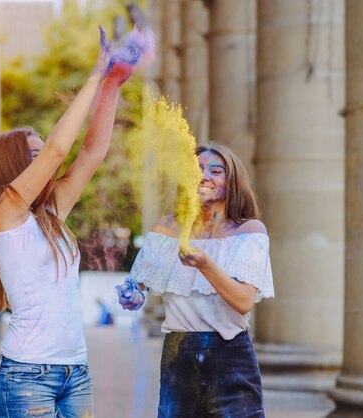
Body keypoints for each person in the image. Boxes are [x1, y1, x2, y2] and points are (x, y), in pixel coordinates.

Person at [0, 27, 142, 418]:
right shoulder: (6, 211)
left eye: (42, 151)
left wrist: (112, 85)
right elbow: (63, 148)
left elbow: (93, 151)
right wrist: (96, 73)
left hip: (75, 371)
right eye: (33, 154)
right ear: (10, 166)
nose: (45, 158)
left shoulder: (50, 213)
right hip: (28, 375)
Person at [117, 144, 274, 418]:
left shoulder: (249, 231)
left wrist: (205, 265)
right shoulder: (165, 229)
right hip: (179, 355)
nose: (204, 176)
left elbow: (243, 301)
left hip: (231, 355)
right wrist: (132, 296)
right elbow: (138, 287)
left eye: (216, 170)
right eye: (196, 169)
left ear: (232, 180)